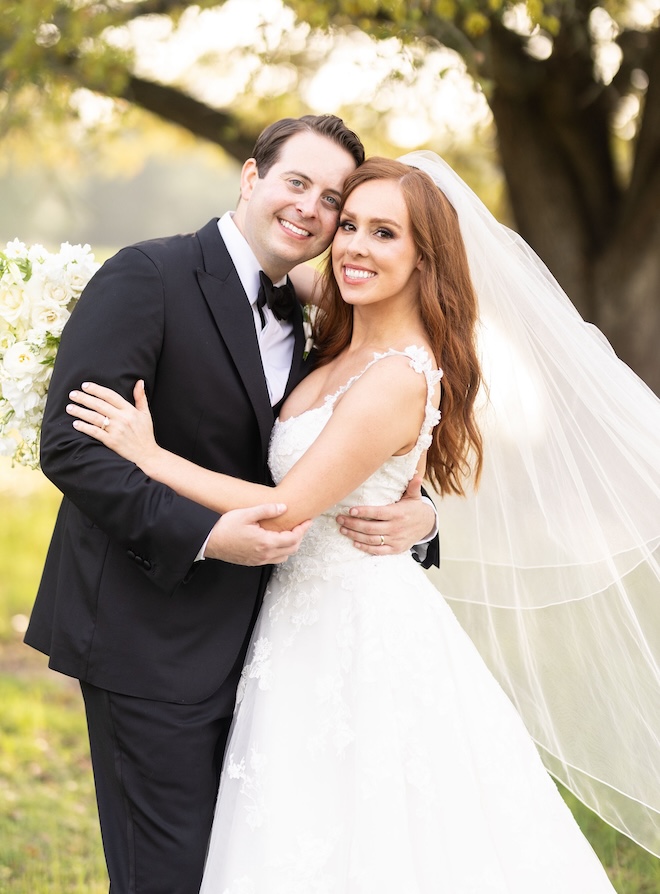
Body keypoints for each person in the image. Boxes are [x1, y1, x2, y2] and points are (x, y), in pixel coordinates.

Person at [66, 156, 637, 891]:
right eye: (352, 225)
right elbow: (261, 259)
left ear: (423, 257)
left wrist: (150, 455)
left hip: (356, 632)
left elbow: (284, 505)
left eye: (385, 233)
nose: (357, 246)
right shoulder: (339, 330)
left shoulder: (397, 376)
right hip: (291, 621)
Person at [24, 118, 439, 894]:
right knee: (171, 875)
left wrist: (426, 514)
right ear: (251, 178)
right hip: (149, 631)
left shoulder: (320, 312)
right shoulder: (148, 276)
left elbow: (348, 446)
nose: (313, 210)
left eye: (333, 199)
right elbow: (73, 448)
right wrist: (209, 536)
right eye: (296, 183)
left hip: (273, 647)